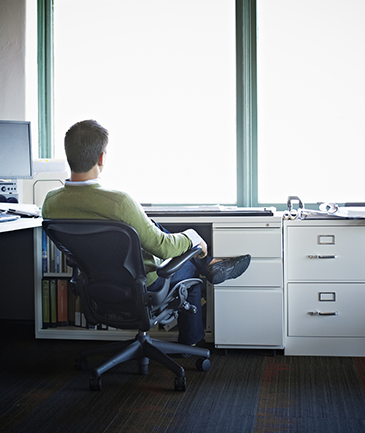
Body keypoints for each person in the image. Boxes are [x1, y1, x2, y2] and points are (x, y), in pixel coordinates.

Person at [42, 119, 251, 346]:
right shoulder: (119, 202)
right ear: (101, 157)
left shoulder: (50, 202)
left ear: (68, 155)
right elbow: (161, 246)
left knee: (149, 226)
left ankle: (210, 264)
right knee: (190, 270)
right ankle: (191, 341)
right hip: (143, 284)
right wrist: (193, 237)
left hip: (95, 285)